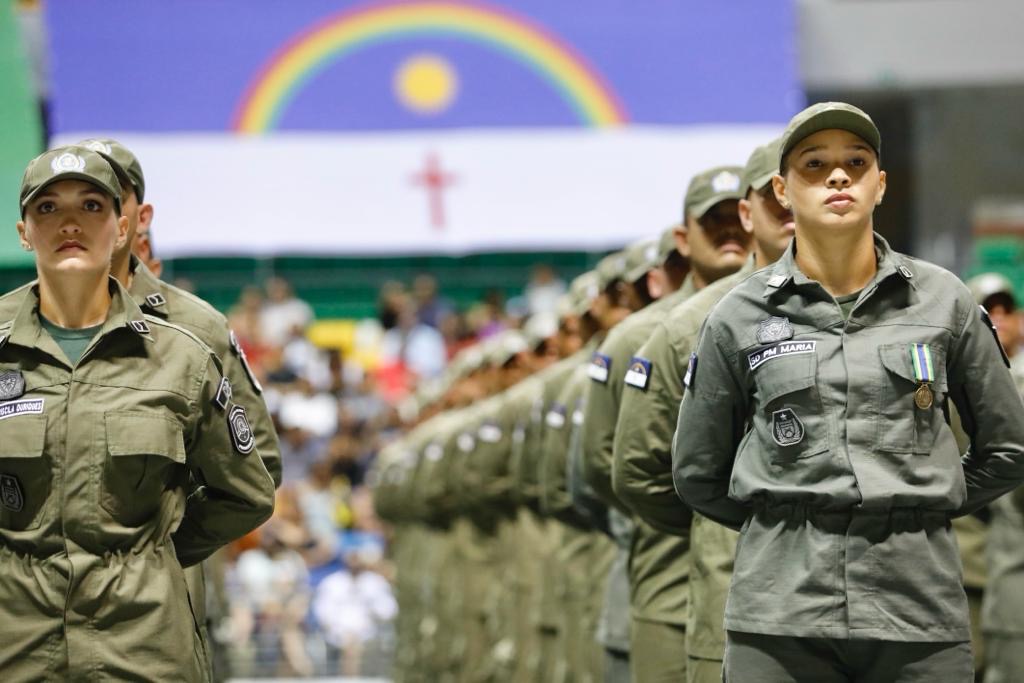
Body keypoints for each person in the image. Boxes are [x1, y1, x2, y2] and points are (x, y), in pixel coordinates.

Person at [673, 102, 1024, 682]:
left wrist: (921, 506)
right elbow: (697, 471)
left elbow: (1009, 448)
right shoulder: (737, 316)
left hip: (917, 615)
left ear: (879, 185)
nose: (838, 176)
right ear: (782, 191)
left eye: (855, 163)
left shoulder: (945, 303)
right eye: (815, 165)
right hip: (779, 620)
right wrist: (787, 520)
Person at [0, 145, 275, 679]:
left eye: (93, 207)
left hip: (142, 644)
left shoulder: (184, 351)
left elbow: (247, 489)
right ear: (23, 232)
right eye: (48, 208)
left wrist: (154, 556)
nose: (71, 223)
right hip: (17, 641)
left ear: (124, 228)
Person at [613, 140, 791, 683]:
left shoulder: (896, 307)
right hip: (730, 593)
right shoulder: (686, 327)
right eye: (775, 200)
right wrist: (725, 522)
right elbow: (628, 470)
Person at [969, 273, 1024, 682]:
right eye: (990, 310)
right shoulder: (949, 386)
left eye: (1007, 310)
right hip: (967, 570)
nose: (1000, 319)